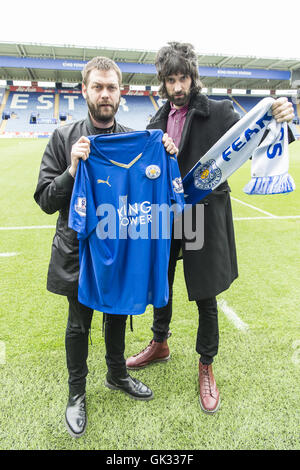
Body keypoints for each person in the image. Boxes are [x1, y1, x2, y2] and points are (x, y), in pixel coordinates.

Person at [126, 42, 295, 414]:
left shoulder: (218, 111)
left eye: (183, 77)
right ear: (163, 82)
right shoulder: (155, 122)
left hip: (202, 214)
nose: (177, 86)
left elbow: (256, 134)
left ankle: (206, 365)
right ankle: (160, 343)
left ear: (192, 76)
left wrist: (279, 114)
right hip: (167, 215)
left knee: (205, 294)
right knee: (161, 281)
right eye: (170, 80)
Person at [34, 56, 178, 438]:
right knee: (79, 323)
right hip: (78, 253)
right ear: (84, 90)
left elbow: (158, 184)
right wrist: (70, 170)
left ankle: (117, 375)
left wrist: (166, 153)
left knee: (116, 313)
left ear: (121, 92)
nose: (104, 94)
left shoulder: (136, 137)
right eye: (97, 87)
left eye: (111, 87)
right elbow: (45, 199)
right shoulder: (64, 138)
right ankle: (76, 394)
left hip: (121, 247)